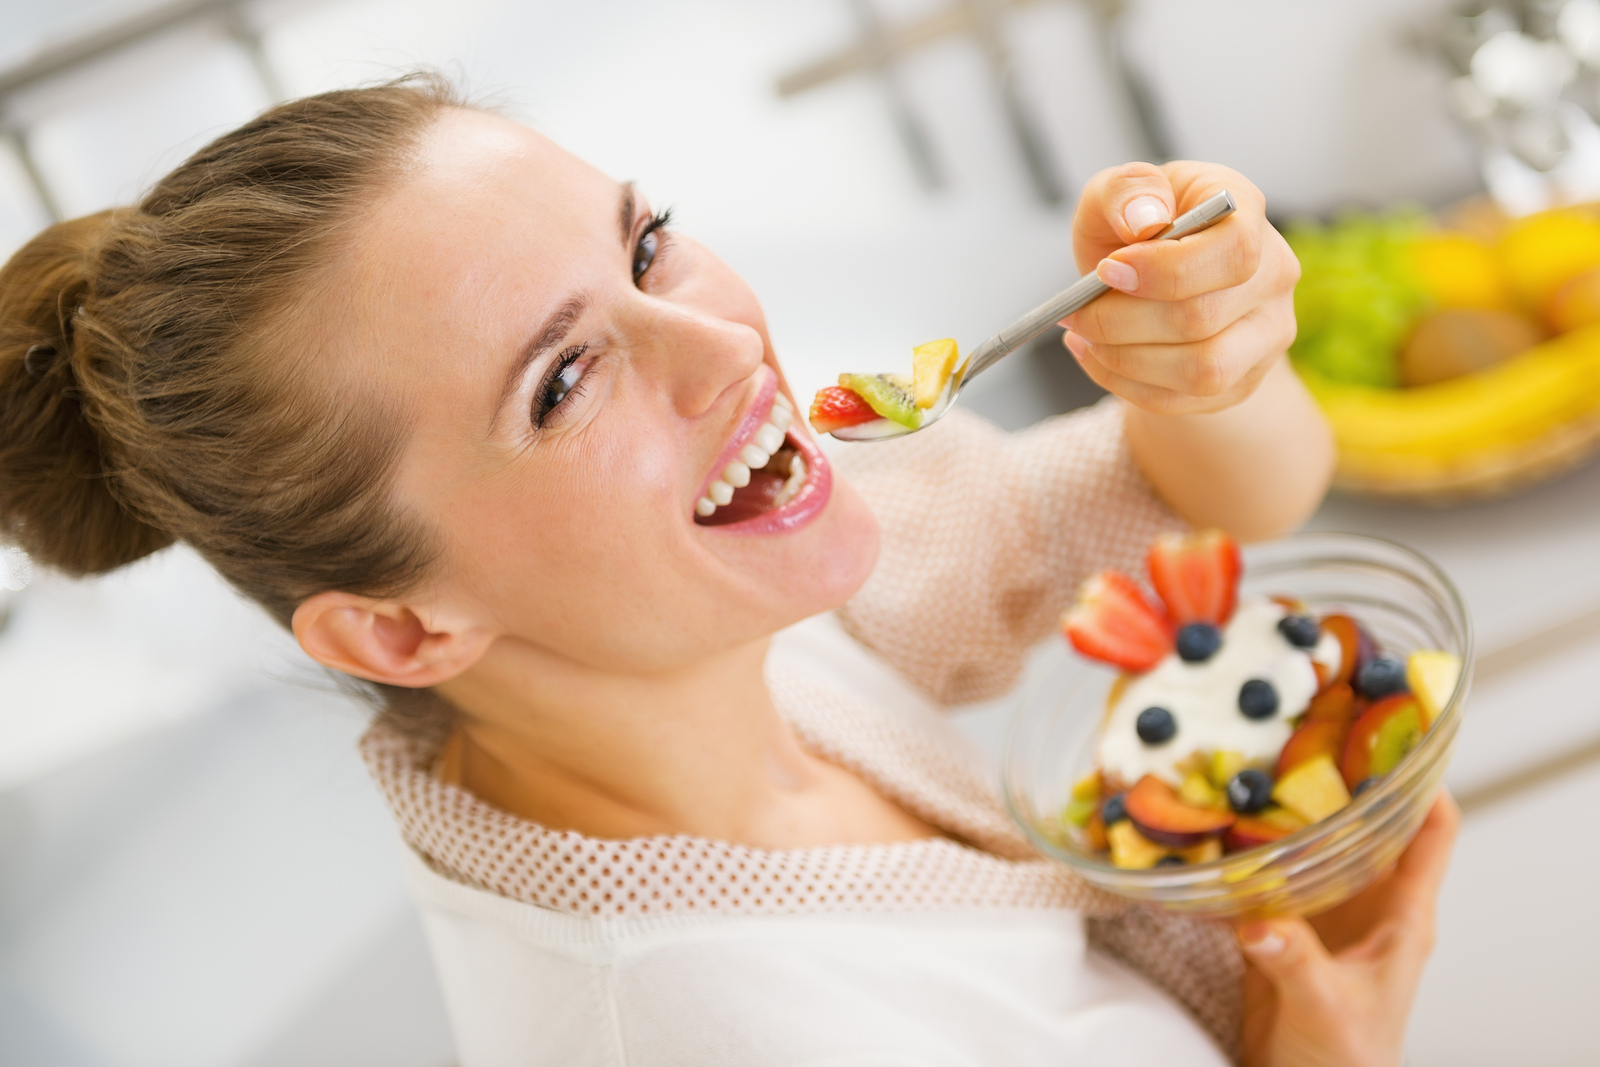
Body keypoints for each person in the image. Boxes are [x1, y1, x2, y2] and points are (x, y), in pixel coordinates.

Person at [0, 76, 1456, 1066]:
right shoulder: (713, 1026)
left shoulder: (685, 631)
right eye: (563, 383)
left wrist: (1206, 360)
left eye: (650, 245)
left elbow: (1199, 490)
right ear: (397, 624)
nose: (726, 348)